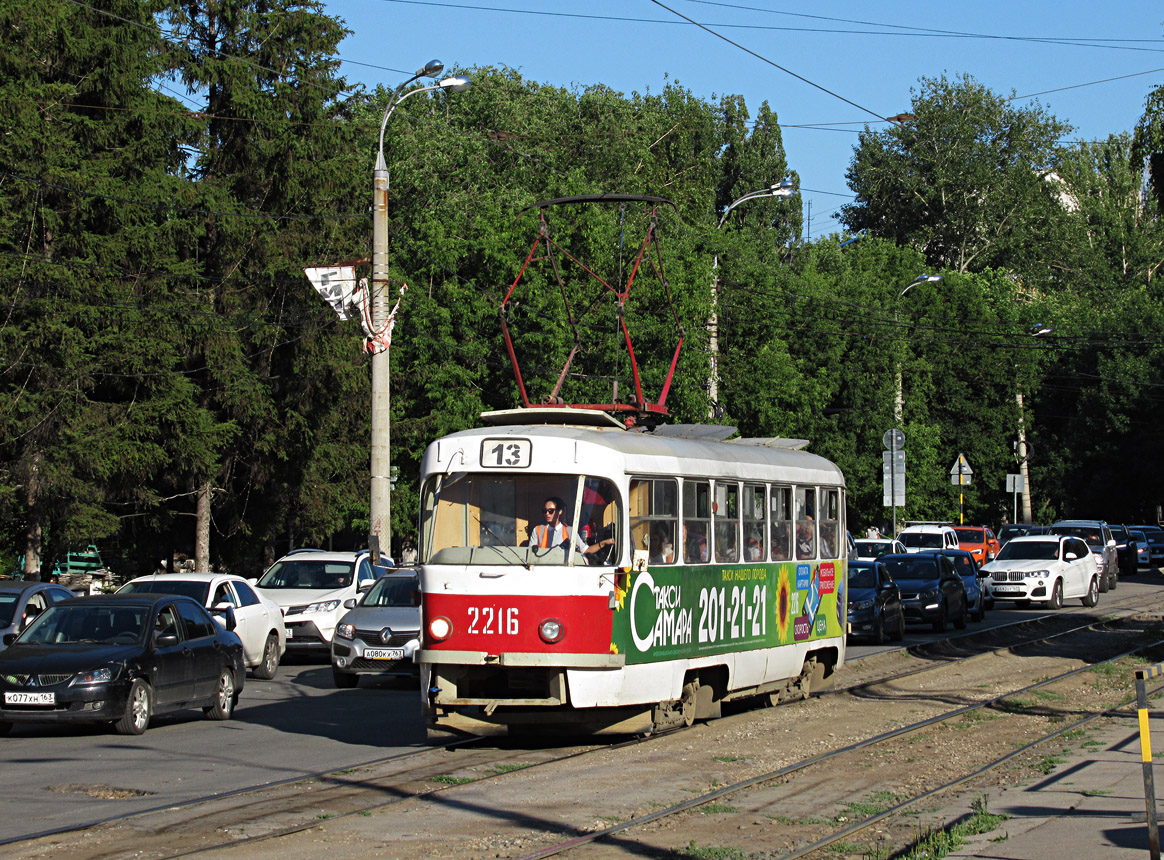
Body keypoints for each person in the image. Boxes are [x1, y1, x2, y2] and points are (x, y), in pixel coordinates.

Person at [528, 497, 614, 556]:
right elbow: (532, 554)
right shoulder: (538, 530)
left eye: (550, 511)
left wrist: (604, 543)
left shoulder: (569, 531)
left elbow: (585, 550)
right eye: (545, 511)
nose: (547, 513)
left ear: (559, 512)